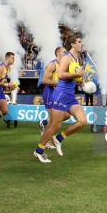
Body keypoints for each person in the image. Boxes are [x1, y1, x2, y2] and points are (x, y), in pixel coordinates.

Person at [34, 33, 87, 163]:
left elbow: (73, 76)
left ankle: (59, 139)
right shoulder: (67, 57)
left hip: (70, 95)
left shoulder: (76, 59)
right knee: (54, 125)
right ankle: (39, 151)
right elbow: (60, 74)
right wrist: (76, 74)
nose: (82, 44)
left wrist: (81, 79)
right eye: (79, 41)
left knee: (82, 121)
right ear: (73, 44)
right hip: (61, 94)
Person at [38, 47, 67, 148]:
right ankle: (44, 143)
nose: (66, 53)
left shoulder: (64, 66)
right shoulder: (52, 64)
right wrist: (56, 83)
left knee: (67, 115)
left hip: (58, 94)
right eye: (64, 52)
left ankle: (45, 123)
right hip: (50, 93)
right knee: (55, 123)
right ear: (58, 53)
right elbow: (44, 80)